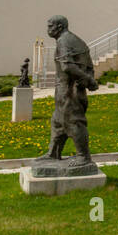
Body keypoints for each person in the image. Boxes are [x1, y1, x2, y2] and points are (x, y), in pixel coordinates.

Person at [40, 15, 98, 167]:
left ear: (59, 27)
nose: (48, 30)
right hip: (71, 89)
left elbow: (67, 66)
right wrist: (89, 79)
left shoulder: (63, 41)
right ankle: (53, 153)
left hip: (68, 90)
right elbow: (90, 66)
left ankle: (83, 156)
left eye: (50, 26)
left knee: (74, 122)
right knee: (58, 122)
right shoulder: (77, 41)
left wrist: (87, 79)